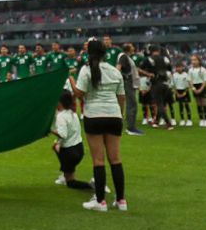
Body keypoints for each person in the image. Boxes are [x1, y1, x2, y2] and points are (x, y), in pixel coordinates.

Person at [73, 38, 127, 212]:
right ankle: (121, 201)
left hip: (94, 115)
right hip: (114, 116)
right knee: (116, 159)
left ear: (89, 53)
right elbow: (121, 97)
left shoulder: (86, 70)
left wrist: (71, 80)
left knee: (98, 160)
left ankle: (101, 201)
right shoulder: (114, 71)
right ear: (105, 53)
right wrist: (120, 115)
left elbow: (79, 93)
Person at [50, 92, 92, 191]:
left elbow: (63, 134)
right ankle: (65, 172)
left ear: (60, 102)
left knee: (71, 183)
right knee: (55, 146)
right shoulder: (73, 113)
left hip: (70, 152)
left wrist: (50, 130)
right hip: (79, 149)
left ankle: (94, 186)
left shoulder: (61, 116)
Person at [140, 45, 175, 130]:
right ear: (158, 51)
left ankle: (168, 123)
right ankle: (156, 122)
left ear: (150, 51)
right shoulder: (165, 58)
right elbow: (170, 70)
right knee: (162, 103)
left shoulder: (148, 59)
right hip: (166, 84)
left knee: (159, 104)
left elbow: (139, 69)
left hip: (156, 84)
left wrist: (148, 74)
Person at [118, 43, 145, 135]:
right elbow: (118, 68)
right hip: (128, 83)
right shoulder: (123, 57)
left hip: (130, 83)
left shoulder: (127, 57)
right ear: (129, 49)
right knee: (132, 105)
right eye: (132, 46)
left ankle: (131, 126)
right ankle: (131, 128)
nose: (133, 47)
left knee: (132, 104)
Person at [189, 55, 206, 127]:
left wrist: (201, 89)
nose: (193, 62)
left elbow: (205, 80)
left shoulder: (203, 69)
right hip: (195, 87)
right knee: (198, 103)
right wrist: (194, 89)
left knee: (204, 103)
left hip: (202, 86)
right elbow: (190, 81)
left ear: (199, 61)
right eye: (192, 60)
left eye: (195, 60)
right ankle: (201, 119)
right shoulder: (190, 70)